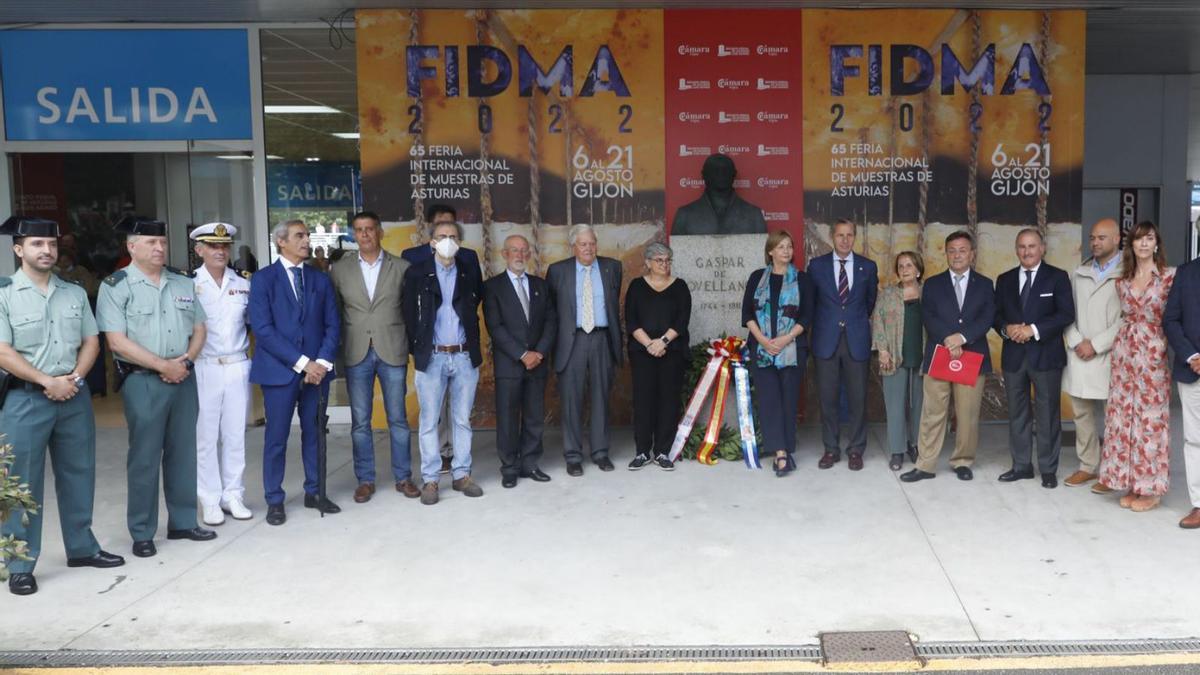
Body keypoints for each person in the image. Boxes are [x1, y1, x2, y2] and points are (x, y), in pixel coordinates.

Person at [0, 216, 124, 596]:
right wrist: (46, 381)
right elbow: (3, 351)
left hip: (72, 395)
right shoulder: (4, 294)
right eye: (37, 244)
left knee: (78, 474)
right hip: (24, 398)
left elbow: (91, 340)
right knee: (22, 483)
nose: (47, 251)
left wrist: (75, 379)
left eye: (51, 245)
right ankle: (19, 562)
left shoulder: (72, 292)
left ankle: (82, 548)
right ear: (19, 249)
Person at [96, 217, 214, 557]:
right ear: (132, 247)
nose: (160, 248)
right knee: (145, 457)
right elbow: (116, 341)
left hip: (183, 377)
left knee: (183, 452)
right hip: (143, 381)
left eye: (162, 242)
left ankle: (183, 522)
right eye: (151, 242)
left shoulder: (181, 282)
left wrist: (187, 362)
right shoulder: (116, 286)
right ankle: (142, 531)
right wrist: (164, 365)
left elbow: (200, 328)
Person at [248, 219, 342, 526]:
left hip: (317, 373)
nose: (306, 240)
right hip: (281, 372)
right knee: (276, 437)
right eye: (299, 236)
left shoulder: (320, 279)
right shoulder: (263, 280)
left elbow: (333, 324)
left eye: (306, 235)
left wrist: (322, 363)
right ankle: (274, 499)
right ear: (281, 242)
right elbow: (263, 330)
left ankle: (315, 491)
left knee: (315, 434)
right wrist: (304, 363)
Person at [330, 211, 417, 503]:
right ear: (353, 234)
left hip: (392, 348)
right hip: (357, 350)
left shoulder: (402, 267)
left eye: (369, 229)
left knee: (398, 420)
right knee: (360, 422)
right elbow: (335, 312)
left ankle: (403, 477)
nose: (364, 234)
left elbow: (409, 311)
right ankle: (365, 479)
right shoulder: (340, 270)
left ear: (380, 232)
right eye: (358, 230)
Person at [901, 231, 995, 483]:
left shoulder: (985, 284)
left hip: (972, 355)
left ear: (972, 254)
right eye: (952, 250)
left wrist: (962, 338)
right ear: (945, 253)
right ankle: (925, 464)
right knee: (932, 413)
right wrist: (947, 339)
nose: (957, 255)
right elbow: (928, 316)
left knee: (967, 414)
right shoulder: (932, 284)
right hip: (939, 354)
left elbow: (987, 318)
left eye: (962, 250)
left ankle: (962, 461)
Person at [403, 219, 484, 505]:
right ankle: (431, 480)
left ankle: (462, 474)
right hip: (433, 355)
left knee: (462, 419)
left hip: (463, 355)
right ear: (432, 242)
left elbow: (475, 307)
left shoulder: (468, 272)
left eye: (452, 236)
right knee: (429, 420)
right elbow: (408, 315)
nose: (447, 240)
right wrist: (419, 346)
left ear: (459, 242)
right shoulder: (417, 274)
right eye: (442, 236)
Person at [1098, 221, 1175, 512]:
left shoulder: (1169, 277)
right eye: (1138, 239)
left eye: (1149, 238)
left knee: (1150, 420)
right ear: (1130, 245)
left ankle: (1151, 488)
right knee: (1124, 418)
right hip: (1125, 353)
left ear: (1157, 243)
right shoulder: (1122, 280)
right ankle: (1131, 482)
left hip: (1153, 351)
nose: (1143, 244)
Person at [994, 228, 1075, 488]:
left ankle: (1048, 469)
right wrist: (1007, 330)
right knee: (1017, 413)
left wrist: (1033, 330)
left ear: (1042, 248)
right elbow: (996, 316)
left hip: (1046, 357)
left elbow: (1065, 315)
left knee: (1047, 414)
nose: (1026, 251)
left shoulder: (1057, 277)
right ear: (1016, 249)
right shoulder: (1004, 279)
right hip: (1014, 356)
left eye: (1032, 246)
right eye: (1021, 246)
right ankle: (1021, 466)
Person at [188, 223, 253, 526]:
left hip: (238, 363)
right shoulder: (188, 284)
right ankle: (209, 498)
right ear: (199, 250)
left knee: (235, 434)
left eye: (225, 246)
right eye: (213, 246)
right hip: (205, 365)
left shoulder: (244, 283)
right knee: (206, 436)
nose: (220, 251)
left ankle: (233, 494)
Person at [547, 224, 624, 476]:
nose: (588, 248)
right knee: (571, 399)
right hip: (573, 341)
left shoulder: (613, 267)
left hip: (601, 339)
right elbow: (551, 311)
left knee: (601, 396)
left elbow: (613, 306)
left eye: (591, 243)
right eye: (583, 244)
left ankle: (600, 452)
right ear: (574, 246)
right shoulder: (558, 271)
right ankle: (573, 455)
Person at [483, 234, 557, 487]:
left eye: (524, 250)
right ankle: (510, 468)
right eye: (514, 250)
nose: (519, 255)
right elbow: (495, 326)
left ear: (529, 255)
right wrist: (522, 354)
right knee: (507, 418)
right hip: (510, 365)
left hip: (538, 362)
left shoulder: (540, 284)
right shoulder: (492, 287)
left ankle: (530, 463)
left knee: (535, 416)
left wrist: (540, 353)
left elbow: (550, 321)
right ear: (504, 254)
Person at [741, 230, 814, 477]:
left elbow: (807, 316)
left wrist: (785, 339)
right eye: (780, 247)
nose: (786, 251)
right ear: (770, 251)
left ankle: (786, 448)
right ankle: (780, 453)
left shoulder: (802, 280)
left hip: (792, 348)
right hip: (762, 349)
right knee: (769, 399)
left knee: (788, 399)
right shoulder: (756, 278)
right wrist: (763, 340)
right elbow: (747, 314)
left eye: (789, 247)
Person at [809, 219, 878, 470]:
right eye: (840, 235)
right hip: (826, 340)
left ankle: (856, 449)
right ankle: (831, 449)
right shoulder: (816, 266)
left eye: (850, 235)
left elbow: (870, 302)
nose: (845, 240)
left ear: (855, 237)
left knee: (858, 398)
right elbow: (812, 303)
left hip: (856, 340)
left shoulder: (867, 267)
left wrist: (853, 322)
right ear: (832, 236)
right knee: (827, 398)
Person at [1062, 218, 1123, 489]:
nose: (1095, 242)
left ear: (1117, 239)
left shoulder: (1128, 272)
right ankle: (1088, 466)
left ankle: (1112, 472)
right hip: (1079, 355)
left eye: (1102, 238)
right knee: (1082, 415)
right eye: (1093, 238)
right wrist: (1076, 341)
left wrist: (1096, 344)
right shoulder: (1079, 272)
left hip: (1110, 355)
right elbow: (1065, 312)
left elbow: (1128, 318)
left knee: (1114, 418)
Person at [625, 242, 692, 471]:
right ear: (648, 263)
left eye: (667, 260)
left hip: (671, 352)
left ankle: (663, 451)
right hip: (642, 354)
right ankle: (642, 451)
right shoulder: (636, 286)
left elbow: (682, 320)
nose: (664, 264)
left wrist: (662, 342)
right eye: (659, 260)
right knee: (644, 402)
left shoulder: (680, 286)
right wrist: (649, 345)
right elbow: (631, 320)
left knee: (668, 401)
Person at [871, 250, 925, 471]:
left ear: (918, 270)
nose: (904, 270)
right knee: (894, 406)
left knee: (919, 405)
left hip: (922, 357)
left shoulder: (928, 293)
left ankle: (915, 445)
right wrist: (882, 350)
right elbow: (877, 322)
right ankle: (896, 451)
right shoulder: (888, 294)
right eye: (901, 266)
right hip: (893, 356)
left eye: (909, 265)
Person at [1165, 230, 1200, 529]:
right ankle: (1199, 505)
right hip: (1193, 369)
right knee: (1195, 440)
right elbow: (1170, 319)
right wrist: (1191, 355)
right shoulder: (1185, 274)